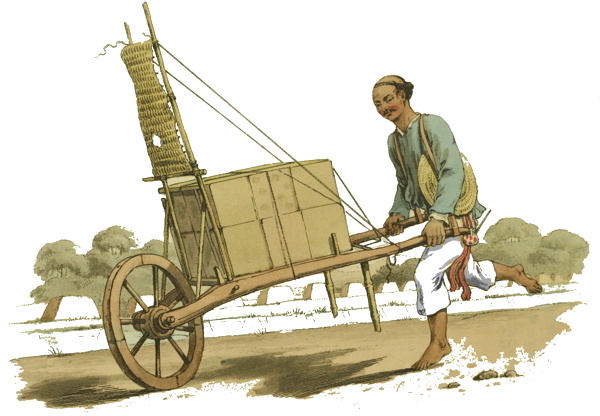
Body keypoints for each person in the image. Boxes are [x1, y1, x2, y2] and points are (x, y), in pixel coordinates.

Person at [372, 75, 543, 370]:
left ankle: (440, 342)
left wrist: (438, 216)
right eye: (377, 104)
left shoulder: (433, 125)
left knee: (427, 272)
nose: (384, 107)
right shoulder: (393, 141)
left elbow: (453, 171)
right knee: (469, 272)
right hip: (432, 218)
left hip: (454, 213)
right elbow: (404, 183)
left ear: (403, 96)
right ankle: (514, 272)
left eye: (388, 99)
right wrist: (397, 213)